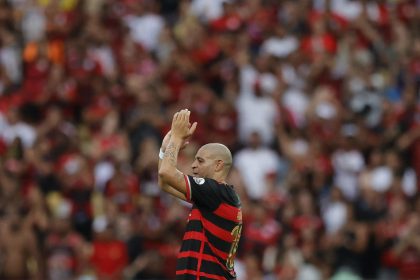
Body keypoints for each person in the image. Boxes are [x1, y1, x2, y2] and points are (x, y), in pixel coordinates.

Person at [158, 109, 242, 279]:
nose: (194, 165)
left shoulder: (216, 191)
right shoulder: (215, 197)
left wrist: (176, 137)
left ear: (218, 165)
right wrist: (164, 149)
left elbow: (166, 173)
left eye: (200, 161)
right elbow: (164, 184)